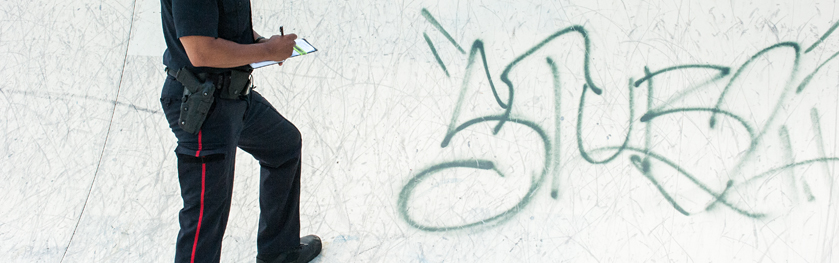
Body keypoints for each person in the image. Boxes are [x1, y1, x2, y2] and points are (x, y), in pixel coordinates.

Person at [159, 0, 321, 262]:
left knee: (284, 145)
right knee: (206, 213)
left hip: (234, 96)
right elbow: (201, 51)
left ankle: (278, 251)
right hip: (202, 106)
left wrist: (262, 44)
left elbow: (231, 28)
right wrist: (267, 51)